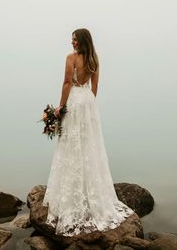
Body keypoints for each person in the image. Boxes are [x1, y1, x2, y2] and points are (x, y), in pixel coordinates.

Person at [42, 28, 134, 236]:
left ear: (82, 40)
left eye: (75, 39)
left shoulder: (71, 58)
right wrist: (88, 103)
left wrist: (60, 107)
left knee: (71, 146)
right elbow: (95, 87)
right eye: (72, 39)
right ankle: (90, 194)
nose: (72, 42)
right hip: (87, 103)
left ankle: (71, 199)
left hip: (74, 102)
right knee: (89, 145)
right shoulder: (94, 59)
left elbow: (66, 83)